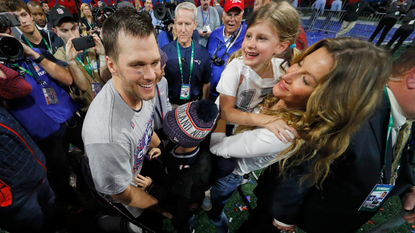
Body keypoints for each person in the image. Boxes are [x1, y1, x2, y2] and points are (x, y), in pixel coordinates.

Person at [238, 41, 415, 233]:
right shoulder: (352, 109)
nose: (288, 74)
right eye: (299, 65)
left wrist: (407, 187)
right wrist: (283, 218)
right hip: (293, 222)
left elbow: (395, 156)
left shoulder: (401, 118)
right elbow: (298, 167)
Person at [81, 7, 170, 232]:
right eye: (137, 65)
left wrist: (158, 145)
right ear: (112, 65)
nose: (151, 75)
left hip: (134, 168)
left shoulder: (140, 87)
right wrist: (160, 206)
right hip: (122, 192)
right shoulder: (107, 136)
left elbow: (145, 121)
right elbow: (121, 193)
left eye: (154, 61)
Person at [217, 1, 299, 139]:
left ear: (281, 46)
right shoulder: (236, 68)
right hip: (227, 127)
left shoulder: (283, 70)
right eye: (248, 36)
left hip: (250, 128)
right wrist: (265, 120)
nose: (250, 44)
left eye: (261, 38)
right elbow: (225, 113)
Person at [146, 100, 218, 233]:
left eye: (171, 133)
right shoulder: (185, 143)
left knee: (182, 221)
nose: (167, 133)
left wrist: (152, 187)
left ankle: (187, 229)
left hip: (180, 204)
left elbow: (179, 205)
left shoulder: (192, 181)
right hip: (171, 186)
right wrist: (162, 148)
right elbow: (174, 141)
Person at [51, 5, 110, 113]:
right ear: (56, 32)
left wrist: (102, 55)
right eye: (64, 30)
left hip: (109, 102)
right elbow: (82, 87)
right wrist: (71, 62)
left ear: (77, 26)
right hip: (88, 110)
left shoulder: (92, 45)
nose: (71, 35)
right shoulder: (58, 57)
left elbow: (106, 78)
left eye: (73, 28)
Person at [162, 2, 212, 107]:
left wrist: (203, 106)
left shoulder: (203, 53)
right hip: (170, 105)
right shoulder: (165, 52)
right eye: (180, 24)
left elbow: (206, 83)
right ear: (175, 23)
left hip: (194, 105)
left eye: (188, 24)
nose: (183, 30)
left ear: (195, 24)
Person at [206, 0, 246, 102]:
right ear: (223, 16)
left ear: (242, 16)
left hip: (233, 98)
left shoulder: (248, 37)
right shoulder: (214, 35)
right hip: (211, 94)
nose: (232, 19)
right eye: (229, 15)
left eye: (236, 15)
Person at [154, 49, 172, 140]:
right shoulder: (142, 89)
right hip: (151, 132)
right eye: (161, 69)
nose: (164, 73)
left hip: (165, 127)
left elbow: (166, 100)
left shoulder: (163, 81)